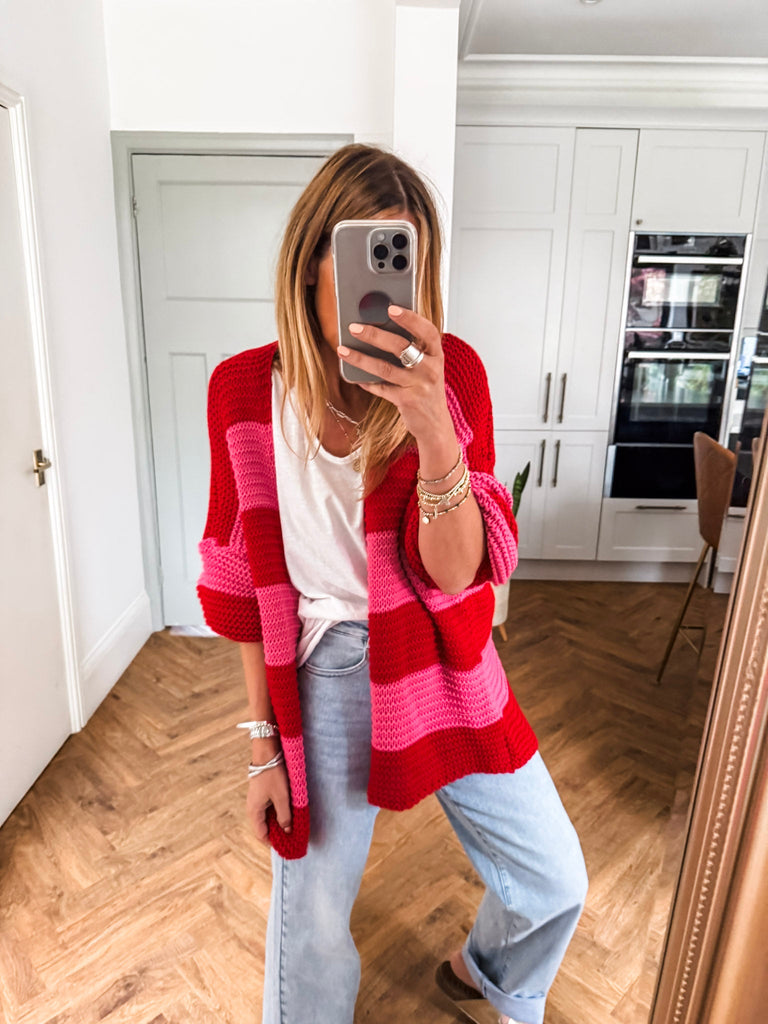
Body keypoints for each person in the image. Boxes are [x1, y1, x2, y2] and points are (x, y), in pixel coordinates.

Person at [196, 143, 588, 1024]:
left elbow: (454, 570)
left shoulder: (456, 377)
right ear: (312, 262)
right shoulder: (240, 393)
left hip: (445, 659)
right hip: (324, 669)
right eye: (359, 256)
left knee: (554, 877)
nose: (380, 288)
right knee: (309, 928)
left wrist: (434, 428)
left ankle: (488, 972)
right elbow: (239, 588)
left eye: (400, 260)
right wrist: (262, 749)